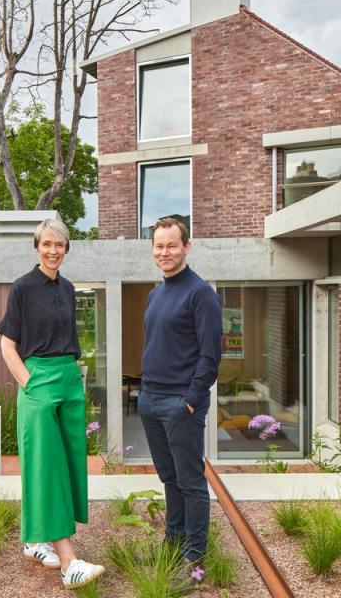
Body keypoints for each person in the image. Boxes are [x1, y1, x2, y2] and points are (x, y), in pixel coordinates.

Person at [0, 218, 105, 590]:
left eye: (59, 245)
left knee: (68, 463)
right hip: (39, 379)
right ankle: (68, 560)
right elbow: (7, 345)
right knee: (48, 465)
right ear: (36, 247)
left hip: (68, 378)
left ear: (66, 249)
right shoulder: (22, 288)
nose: (53, 250)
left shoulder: (69, 288)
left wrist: (75, 376)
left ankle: (34, 538)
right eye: (47, 244)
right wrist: (29, 384)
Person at [138, 217, 222, 567]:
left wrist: (189, 401)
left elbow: (211, 355)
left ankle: (194, 557)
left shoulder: (200, 293)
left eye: (172, 245)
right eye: (159, 246)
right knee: (168, 478)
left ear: (186, 246)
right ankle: (173, 543)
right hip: (150, 400)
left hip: (180, 403)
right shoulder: (156, 293)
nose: (165, 252)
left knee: (190, 482)